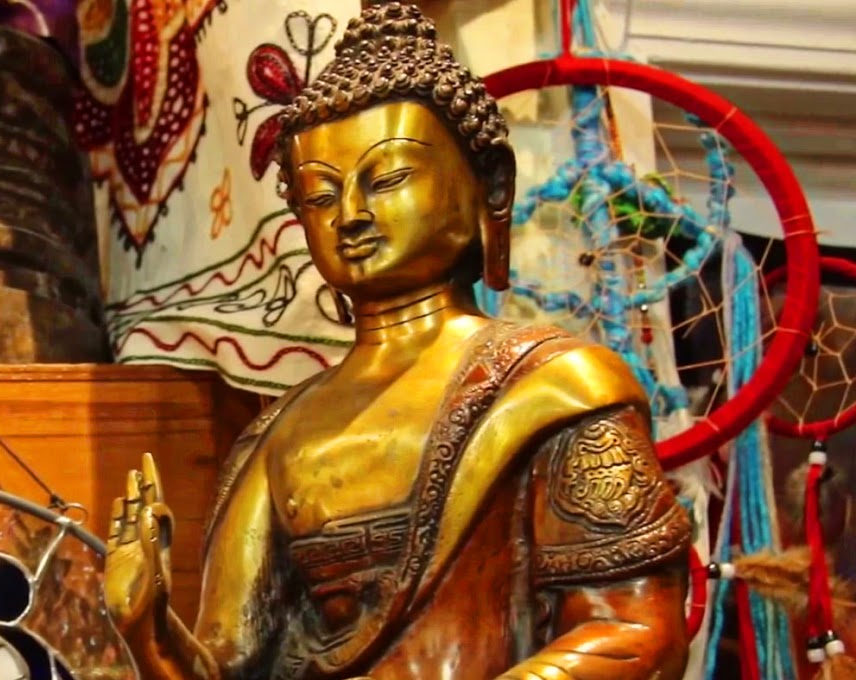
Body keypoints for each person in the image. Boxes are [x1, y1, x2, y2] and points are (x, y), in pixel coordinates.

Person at [101, 5, 692, 679]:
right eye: (319, 196)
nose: (350, 215)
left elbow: (634, 633)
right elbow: (231, 668)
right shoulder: (277, 437)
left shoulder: (559, 387)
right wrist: (147, 628)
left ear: (491, 185)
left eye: (386, 179)